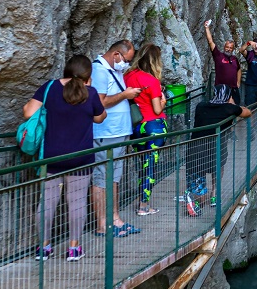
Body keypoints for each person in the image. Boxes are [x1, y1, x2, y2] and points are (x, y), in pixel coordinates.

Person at [25, 55, 107, 262]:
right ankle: (74, 248)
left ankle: (44, 247)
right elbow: (100, 117)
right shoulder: (90, 93)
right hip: (81, 158)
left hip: (51, 157)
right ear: (88, 75)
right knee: (77, 202)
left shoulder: (50, 88)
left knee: (47, 201)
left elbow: (28, 113)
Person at [91, 40, 142, 238]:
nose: (126, 64)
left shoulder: (115, 70)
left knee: (114, 178)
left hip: (118, 133)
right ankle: (102, 224)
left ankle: (115, 218)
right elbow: (100, 102)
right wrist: (125, 94)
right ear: (116, 55)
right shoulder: (99, 71)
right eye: (126, 60)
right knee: (102, 178)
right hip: (106, 133)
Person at [186, 85, 251, 211]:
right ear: (229, 97)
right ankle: (214, 194)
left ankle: (197, 198)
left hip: (195, 148)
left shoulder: (201, 106)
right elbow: (248, 113)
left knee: (199, 183)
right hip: (216, 148)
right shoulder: (229, 108)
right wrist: (234, 105)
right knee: (219, 166)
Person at [125, 44, 167, 216]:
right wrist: (163, 100)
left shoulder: (127, 76)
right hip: (154, 126)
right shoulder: (152, 80)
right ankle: (144, 205)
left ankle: (141, 199)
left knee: (141, 164)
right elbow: (157, 109)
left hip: (136, 126)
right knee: (151, 165)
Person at [204, 20, 242, 104]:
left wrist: (238, 81)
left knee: (236, 106)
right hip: (221, 88)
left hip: (233, 88)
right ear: (224, 47)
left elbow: (239, 70)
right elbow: (210, 42)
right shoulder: (218, 56)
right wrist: (207, 28)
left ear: (233, 49)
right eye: (227, 47)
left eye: (230, 48)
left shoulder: (235, 59)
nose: (228, 49)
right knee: (221, 107)